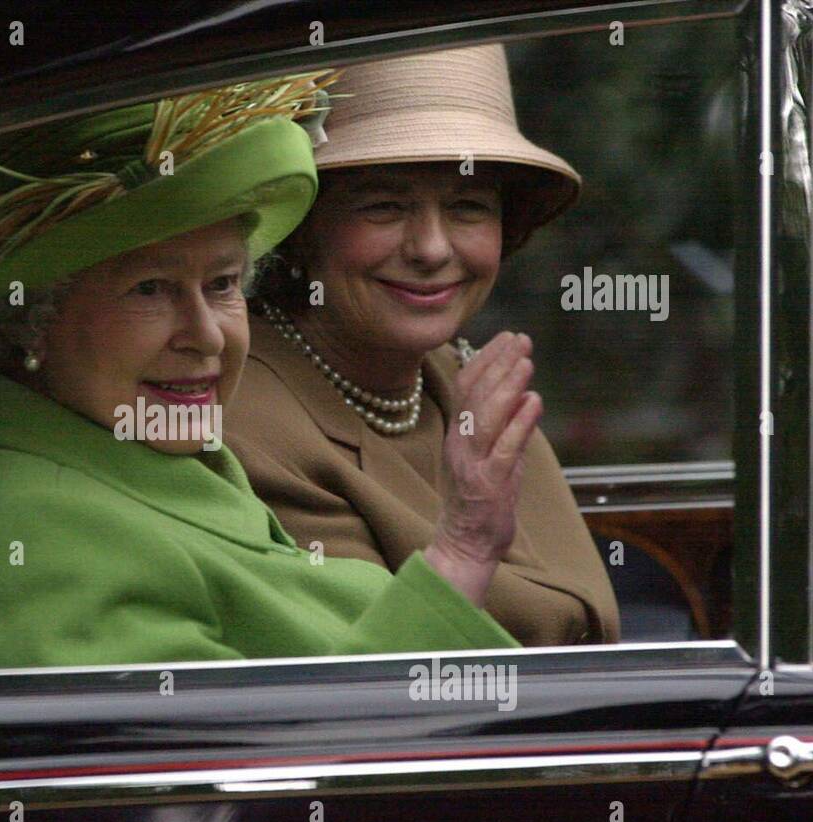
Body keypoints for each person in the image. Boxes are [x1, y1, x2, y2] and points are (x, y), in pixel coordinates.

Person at [0, 73, 541, 671]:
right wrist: (460, 554)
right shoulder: (38, 545)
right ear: (31, 319)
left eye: (224, 283)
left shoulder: (145, 457)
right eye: (150, 288)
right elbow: (273, 783)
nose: (207, 336)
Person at [228, 46, 621, 646]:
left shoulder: (464, 378)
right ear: (302, 225)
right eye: (384, 207)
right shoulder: (240, 412)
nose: (432, 249)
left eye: (467, 207)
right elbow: (365, 683)